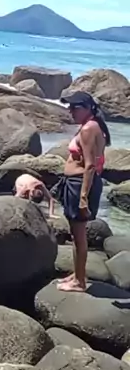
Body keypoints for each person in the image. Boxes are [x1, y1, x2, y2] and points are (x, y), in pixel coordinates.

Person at [55, 90, 111, 293]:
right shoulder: (92, 125)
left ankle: (79, 282)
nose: (70, 111)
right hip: (77, 183)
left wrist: (83, 197)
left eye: (75, 107)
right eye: (69, 107)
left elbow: (90, 165)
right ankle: (77, 274)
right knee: (75, 233)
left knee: (78, 236)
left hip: (79, 184)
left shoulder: (89, 129)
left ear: (88, 108)